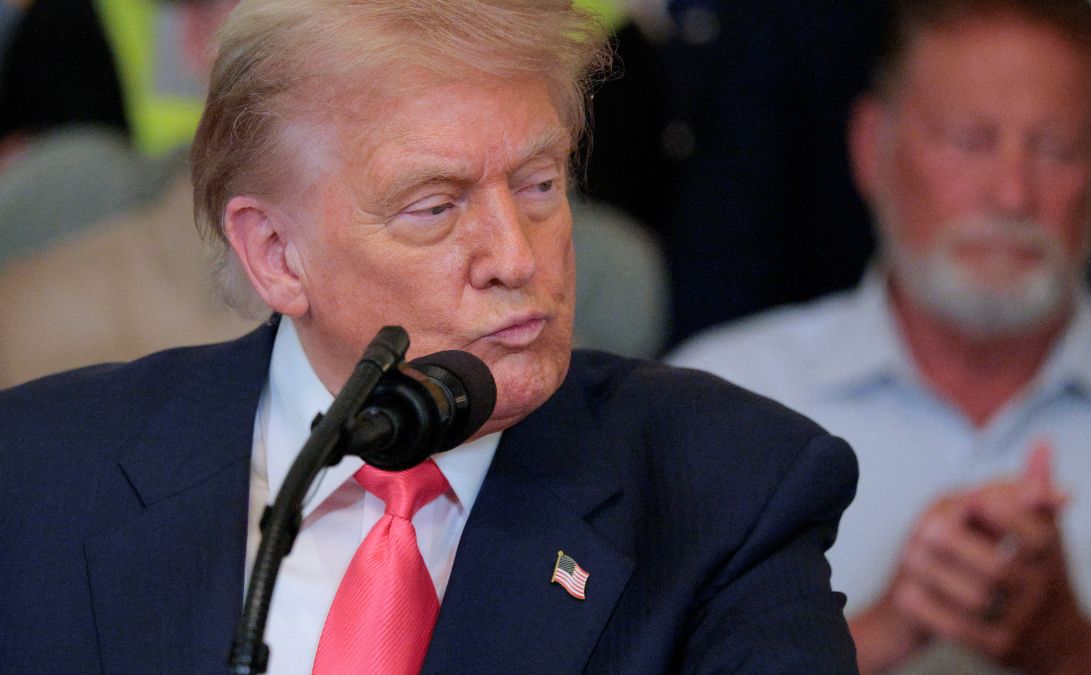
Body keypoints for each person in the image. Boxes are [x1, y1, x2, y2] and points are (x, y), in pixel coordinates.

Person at [0, 1, 858, 673]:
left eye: (539, 185)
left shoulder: (729, 491)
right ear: (276, 254)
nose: (516, 257)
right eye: (436, 207)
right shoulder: (38, 476)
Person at [670, 1, 1091, 673]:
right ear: (871, 146)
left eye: (1055, 149)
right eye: (970, 141)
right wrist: (885, 628)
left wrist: (1071, 648)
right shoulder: (717, 402)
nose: (1012, 195)